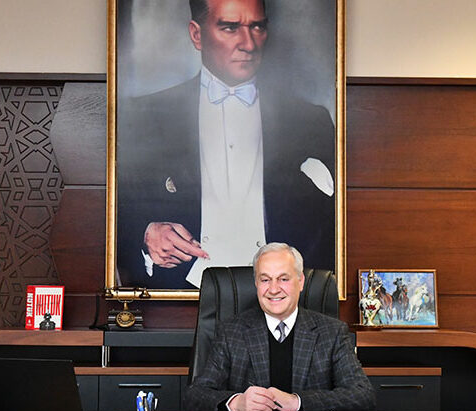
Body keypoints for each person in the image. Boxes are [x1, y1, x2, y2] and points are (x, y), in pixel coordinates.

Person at [118, 0, 335, 288]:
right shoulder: (146, 116)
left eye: (257, 27)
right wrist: (145, 234)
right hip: (180, 293)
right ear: (196, 34)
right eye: (230, 28)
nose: (248, 44)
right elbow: (117, 212)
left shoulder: (311, 121)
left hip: (280, 297)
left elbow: (332, 228)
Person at [184, 242, 375, 411]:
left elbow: (363, 395)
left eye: (283, 279)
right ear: (256, 284)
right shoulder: (231, 332)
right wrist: (236, 403)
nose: (274, 289)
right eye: (265, 280)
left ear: (300, 281)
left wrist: (298, 401)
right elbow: (195, 395)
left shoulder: (332, 332)